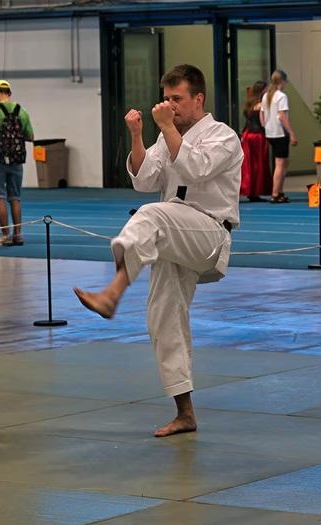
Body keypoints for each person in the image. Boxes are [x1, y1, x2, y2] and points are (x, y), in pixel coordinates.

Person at [72, 64, 241, 437]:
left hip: (209, 233)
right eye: (166, 99)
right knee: (163, 316)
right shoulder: (168, 137)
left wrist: (166, 128)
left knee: (150, 215)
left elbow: (196, 170)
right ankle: (185, 413)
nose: (170, 106)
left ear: (198, 99)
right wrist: (137, 135)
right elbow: (144, 179)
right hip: (174, 235)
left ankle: (113, 292)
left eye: (177, 99)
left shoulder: (223, 136)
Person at [0, 79, 35, 246]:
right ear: (9, 93)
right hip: (16, 159)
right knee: (15, 197)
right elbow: (30, 137)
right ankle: (18, 235)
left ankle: (5, 235)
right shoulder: (22, 111)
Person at [261, 69, 296, 204]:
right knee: (280, 164)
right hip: (280, 133)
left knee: (283, 162)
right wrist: (292, 133)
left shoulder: (266, 96)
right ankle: (275, 193)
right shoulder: (281, 96)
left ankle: (279, 191)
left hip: (270, 133)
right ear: (283, 81)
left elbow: (262, 115)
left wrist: (266, 126)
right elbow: (282, 116)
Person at [239, 80, 272, 203]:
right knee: (258, 164)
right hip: (258, 136)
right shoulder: (261, 105)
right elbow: (264, 122)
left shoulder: (248, 104)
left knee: (249, 165)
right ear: (262, 90)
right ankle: (255, 191)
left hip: (248, 135)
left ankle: (250, 190)